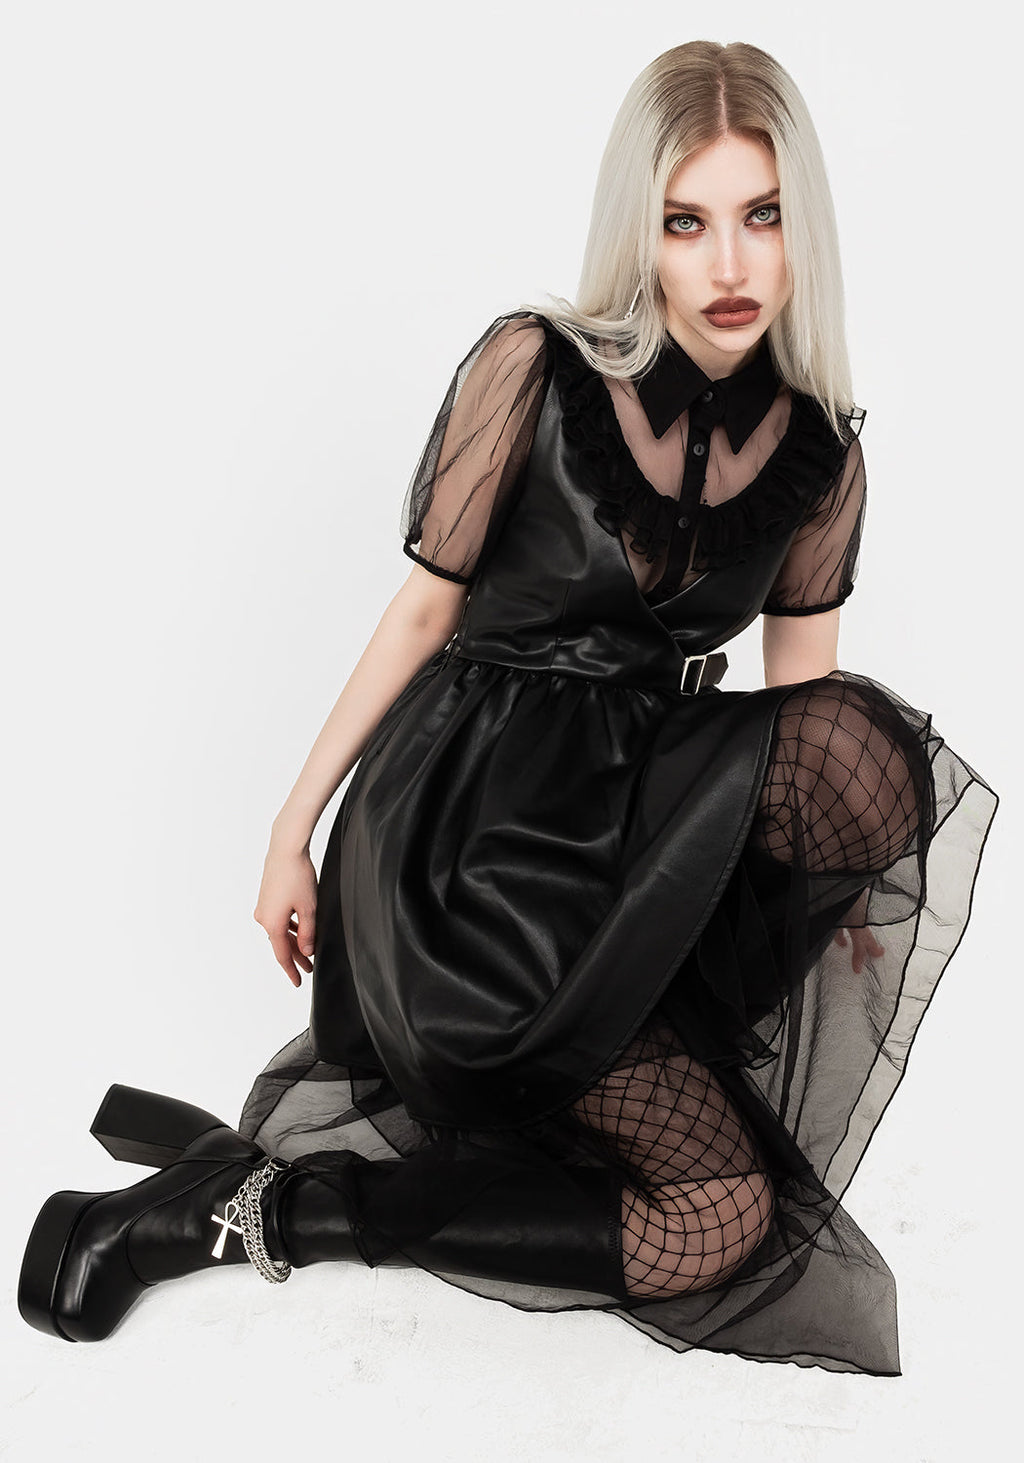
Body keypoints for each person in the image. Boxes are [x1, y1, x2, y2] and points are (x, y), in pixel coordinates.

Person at [18, 39, 998, 1375]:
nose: (729, 263)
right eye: (687, 221)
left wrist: (826, 904)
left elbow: (800, 705)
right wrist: (291, 833)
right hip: (467, 837)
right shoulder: (536, 369)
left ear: (802, 226)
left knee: (720, 1211)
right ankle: (217, 1216)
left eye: (762, 216)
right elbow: (422, 613)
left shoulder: (821, 454)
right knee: (840, 773)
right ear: (638, 231)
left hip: (629, 840)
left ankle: (262, 1203)